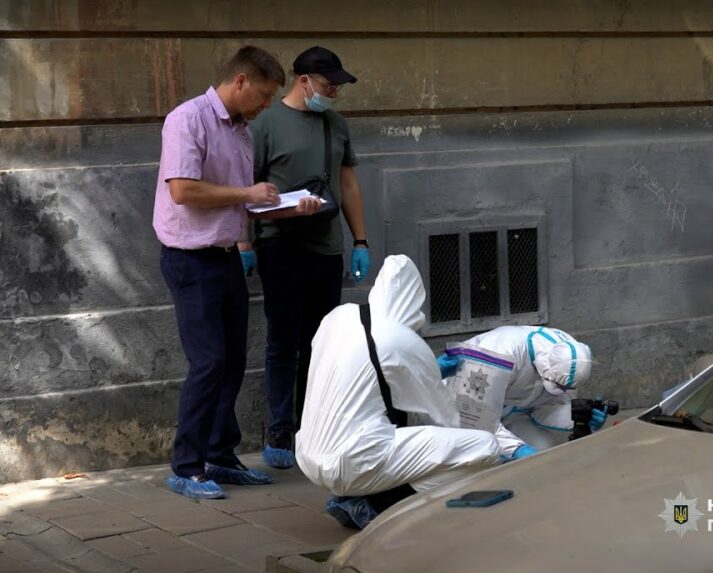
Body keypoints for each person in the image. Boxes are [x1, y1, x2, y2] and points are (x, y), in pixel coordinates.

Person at [153, 46, 322, 500]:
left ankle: (221, 457)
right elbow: (184, 190)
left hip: (227, 255)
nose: (268, 104)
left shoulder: (243, 131)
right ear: (241, 81)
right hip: (190, 258)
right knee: (207, 362)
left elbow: (245, 203)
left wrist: (289, 208)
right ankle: (186, 467)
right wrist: (247, 191)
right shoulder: (187, 120)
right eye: (264, 95)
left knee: (230, 363)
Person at [296, 255, 502, 529]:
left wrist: (422, 375)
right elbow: (444, 419)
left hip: (308, 453)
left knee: (385, 418)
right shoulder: (401, 339)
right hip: (352, 462)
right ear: (415, 303)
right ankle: (374, 505)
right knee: (482, 448)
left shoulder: (337, 317)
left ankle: (347, 496)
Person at [244, 46, 370, 469]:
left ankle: (313, 425)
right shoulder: (266, 124)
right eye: (328, 84)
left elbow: (347, 182)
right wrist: (246, 244)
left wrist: (360, 241)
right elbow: (248, 186)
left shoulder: (336, 124)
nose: (333, 92)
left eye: (336, 86)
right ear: (304, 81)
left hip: (326, 246)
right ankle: (280, 429)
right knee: (283, 340)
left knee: (321, 343)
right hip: (280, 244)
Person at [438, 326, 597, 458]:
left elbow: (543, 408)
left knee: (543, 453)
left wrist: (575, 417)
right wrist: (516, 450)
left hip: (509, 413)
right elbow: (474, 419)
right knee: (479, 464)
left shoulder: (569, 358)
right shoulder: (499, 352)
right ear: (544, 365)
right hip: (455, 413)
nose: (563, 391)